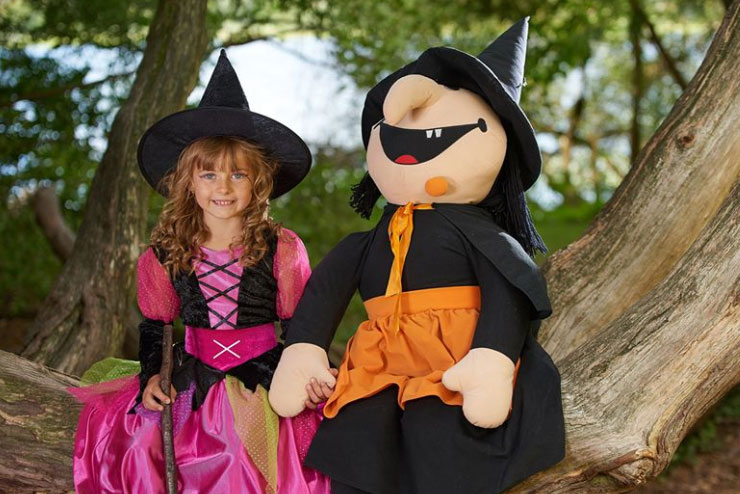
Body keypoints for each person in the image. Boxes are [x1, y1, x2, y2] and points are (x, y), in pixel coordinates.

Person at [70, 50, 332, 494]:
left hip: (264, 374)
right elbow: (156, 326)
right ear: (188, 181)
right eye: (208, 175)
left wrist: (304, 376)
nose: (223, 187)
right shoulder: (164, 252)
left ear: (259, 181)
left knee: (240, 455)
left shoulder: (283, 248)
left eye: (238, 175)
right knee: (139, 441)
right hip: (192, 372)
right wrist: (153, 376)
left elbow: (300, 326)